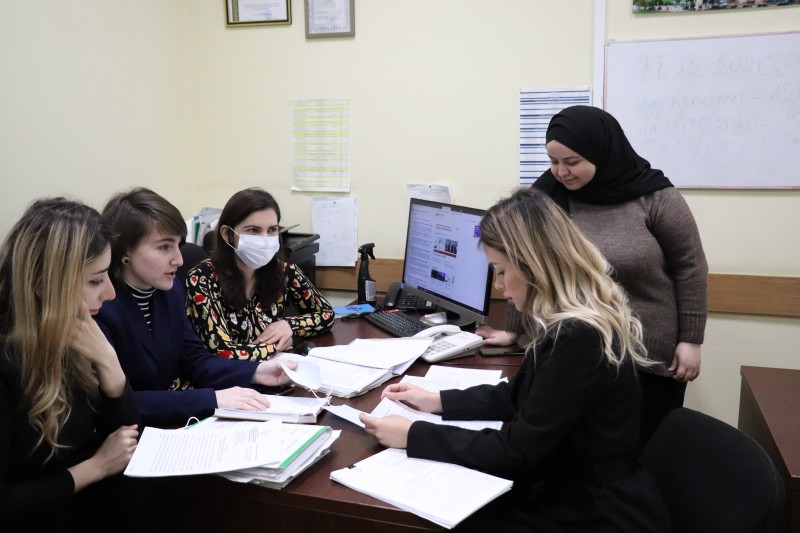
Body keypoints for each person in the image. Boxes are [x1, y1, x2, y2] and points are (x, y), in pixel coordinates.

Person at [360, 188, 671, 532]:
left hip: (596, 512)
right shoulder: (571, 319)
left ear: (534, 266)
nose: (498, 285)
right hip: (570, 489)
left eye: (500, 270)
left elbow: (516, 452)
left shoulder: (579, 336)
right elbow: (521, 394)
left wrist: (414, 435)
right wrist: (437, 401)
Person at [479, 105, 708, 445]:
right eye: (553, 161)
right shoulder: (547, 196)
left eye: (572, 162)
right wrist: (513, 330)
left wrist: (691, 339)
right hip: (576, 352)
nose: (561, 172)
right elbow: (523, 264)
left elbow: (690, 266)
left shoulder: (655, 197)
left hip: (646, 354)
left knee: (639, 450)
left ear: (602, 151)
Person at [94, 187, 295, 428]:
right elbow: (117, 403)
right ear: (125, 250)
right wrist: (213, 399)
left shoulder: (169, 293)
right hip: (127, 434)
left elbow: (194, 360)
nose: (179, 260)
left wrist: (258, 371)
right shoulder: (100, 306)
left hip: (166, 425)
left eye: (178, 245)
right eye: (164, 247)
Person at [0, 198, 139, 530]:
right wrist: (95, 468)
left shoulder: (74, 334)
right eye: (95, 281)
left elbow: (124, 440)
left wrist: (110, 365)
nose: (110, 294)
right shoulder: (6, 363)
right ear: (43, 286)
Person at [185, 188, 334, 361]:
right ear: (227, 234)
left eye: (272, 230)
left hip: (273, 370)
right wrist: (276, 347)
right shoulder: (202, 278)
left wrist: (289, 325)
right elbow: (222, 352)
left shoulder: (283, 271)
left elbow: (326, 314)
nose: (265, 239)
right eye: (253, 230)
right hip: (227, 376)